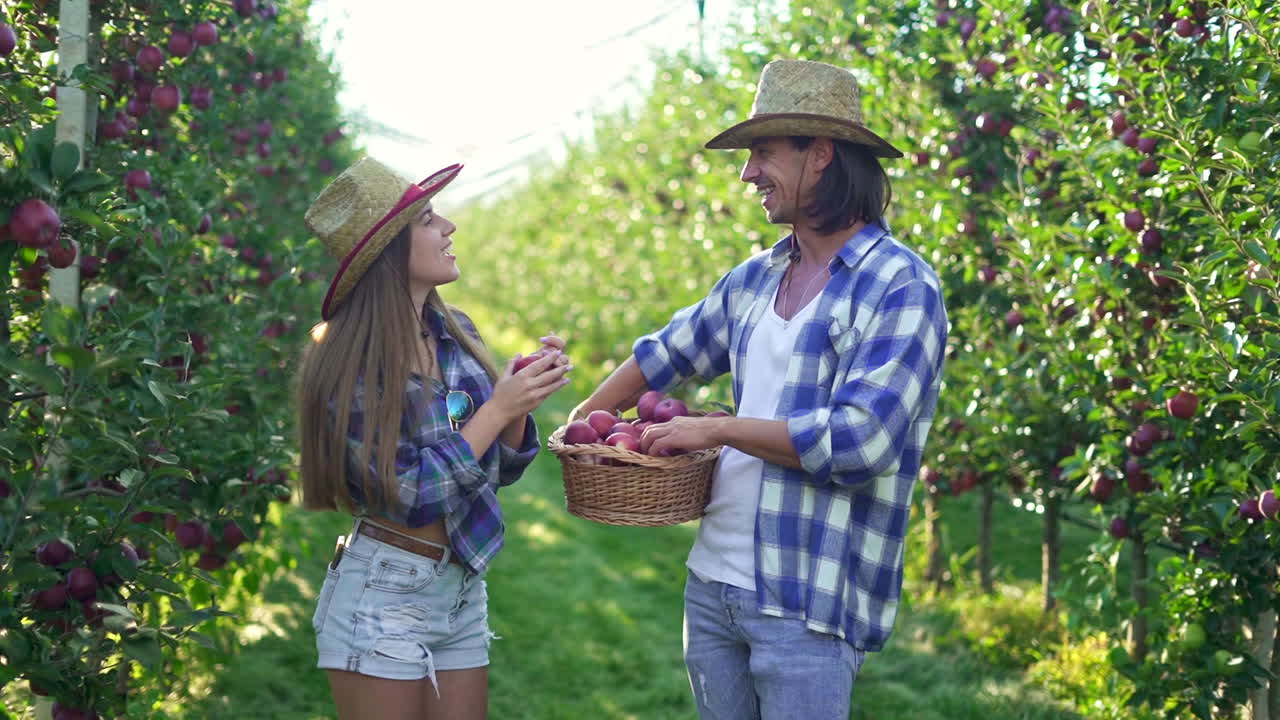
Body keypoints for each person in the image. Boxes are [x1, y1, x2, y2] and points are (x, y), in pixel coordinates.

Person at [572, 59, 949, 719]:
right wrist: (585, 420)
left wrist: (717, 428)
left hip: (805, 594)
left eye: (763, 153)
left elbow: (860, 441)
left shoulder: (900, 285)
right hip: (711, 581)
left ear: (820, 155)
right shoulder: (756, 277)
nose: (748, 174)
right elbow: (667, 352)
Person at [295, 157, 571, 720]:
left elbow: (496, 469)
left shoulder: (455, 331)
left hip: (460, 583)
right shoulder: (351, 362)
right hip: (383, 590)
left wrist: (519, 401)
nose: (449, 226)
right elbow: (411, 494)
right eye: (427, 219)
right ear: (387, 252)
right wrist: (497, 409)